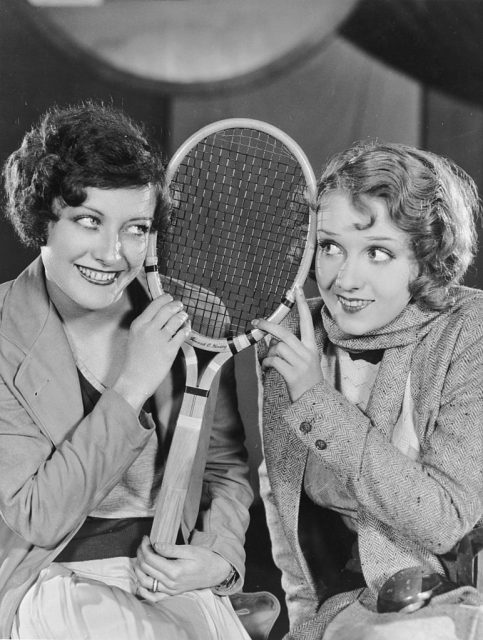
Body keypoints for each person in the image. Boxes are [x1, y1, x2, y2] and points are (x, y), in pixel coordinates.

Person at [0, 102, 253, 640]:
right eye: (89, 221)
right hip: (50, 578)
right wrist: (133, 382)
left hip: (170, 580)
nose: (114, 254)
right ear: (43, 218)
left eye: (135, 228)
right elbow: (37, 515)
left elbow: (223, 469)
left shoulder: (194, 315)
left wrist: (217, 558)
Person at [253, 141, 483, 639]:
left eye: (377, 252)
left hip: (452, 602)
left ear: (427, 259)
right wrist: (305, 626)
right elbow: (286, 505)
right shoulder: (298, 331)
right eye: (330, 247)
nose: (345, 279)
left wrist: (316, 400)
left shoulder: (470, 330)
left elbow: (445, 521)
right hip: (342, 612)